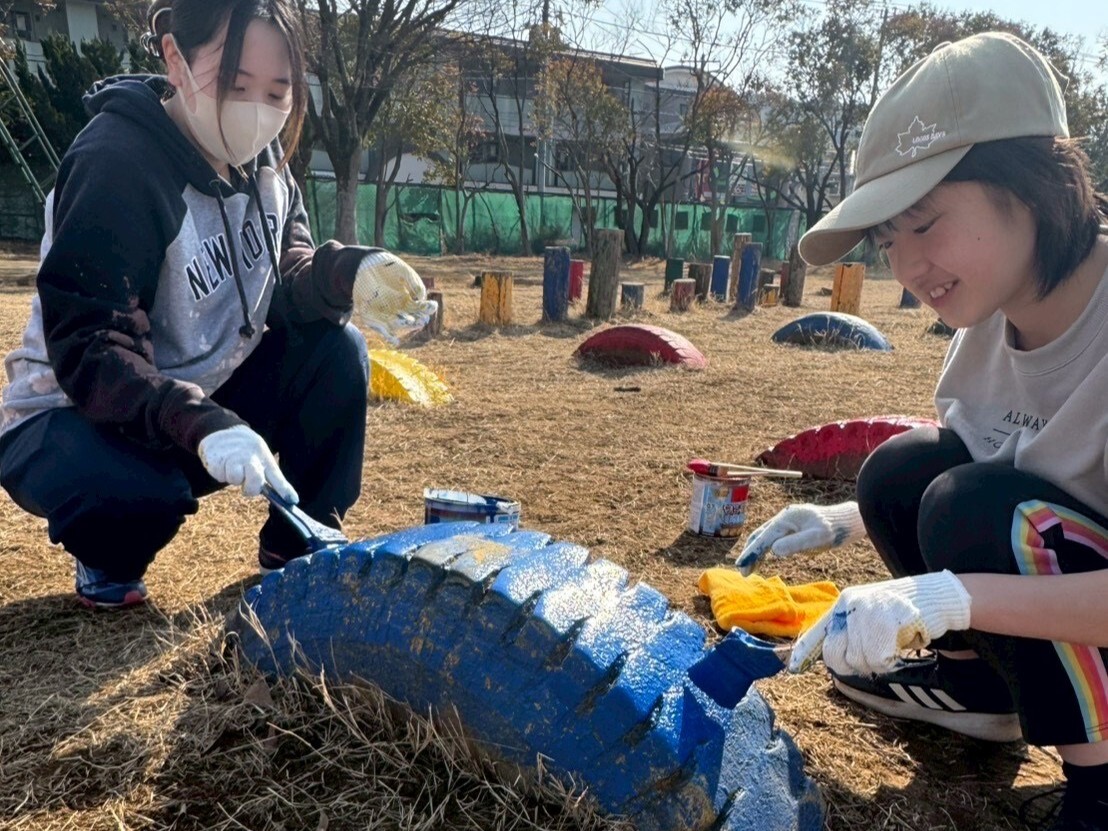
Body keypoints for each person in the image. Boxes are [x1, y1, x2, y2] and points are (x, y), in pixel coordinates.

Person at [736, 32, 1108, 830]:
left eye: (924, 222)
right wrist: (842, 521)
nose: (904, 268)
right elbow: (974, 460)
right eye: (886, 240)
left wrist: (947, 595)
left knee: (979, 507)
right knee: (901, 473)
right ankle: (979, 689)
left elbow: (994, 509)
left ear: (1035, 185)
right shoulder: (986, 324)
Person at [0, 0, 431, 610]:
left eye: (278, 91)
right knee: (133, 497)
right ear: (175, 56)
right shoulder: (117, 164)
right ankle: (107, 560)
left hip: (198, 398)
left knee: (339, 352)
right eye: (235, 84)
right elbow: (91, 350)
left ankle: (299, 539)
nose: (257, 110)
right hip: (75, 412)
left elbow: (287, 271)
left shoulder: (267, 164)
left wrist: (344, 274)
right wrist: (201, 423)